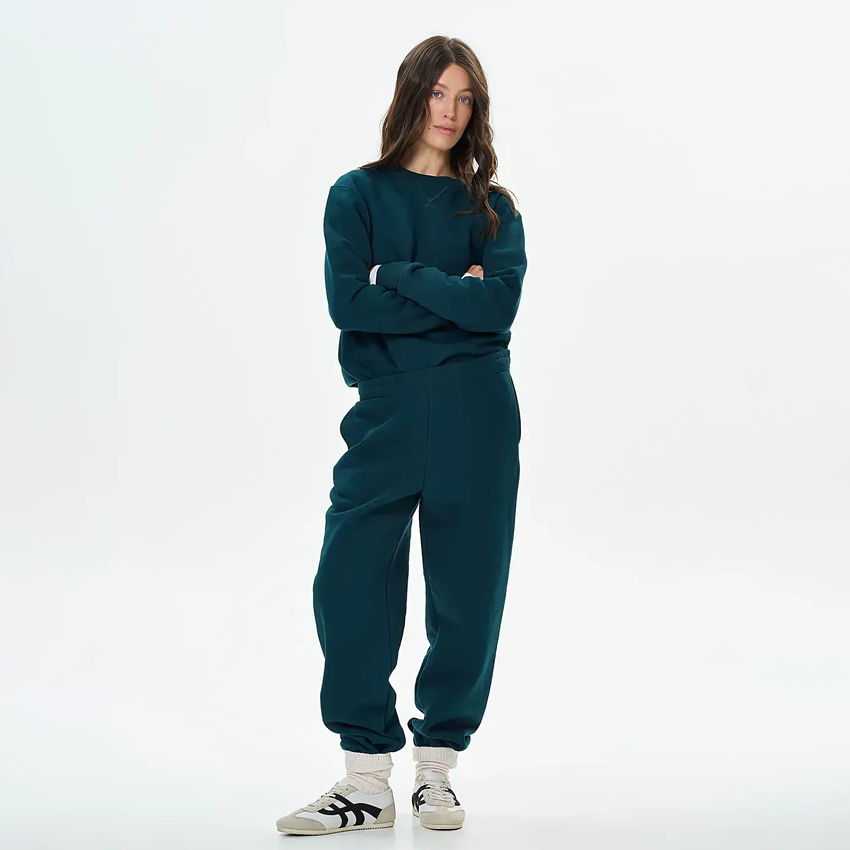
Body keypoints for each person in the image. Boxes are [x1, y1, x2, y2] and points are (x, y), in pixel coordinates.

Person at [276, 34, 527, 836]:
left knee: (467, 589)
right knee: (347, 579)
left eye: (465, 98)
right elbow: (349, 305)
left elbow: (497, 308)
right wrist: (455, 294)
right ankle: (365, 780)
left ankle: (437, 771)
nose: (451, 112)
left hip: (477, 412)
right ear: (411, 95)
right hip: (384, 410)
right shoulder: (356, 194)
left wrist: (402, 276)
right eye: (438, 93)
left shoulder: (493, 209)